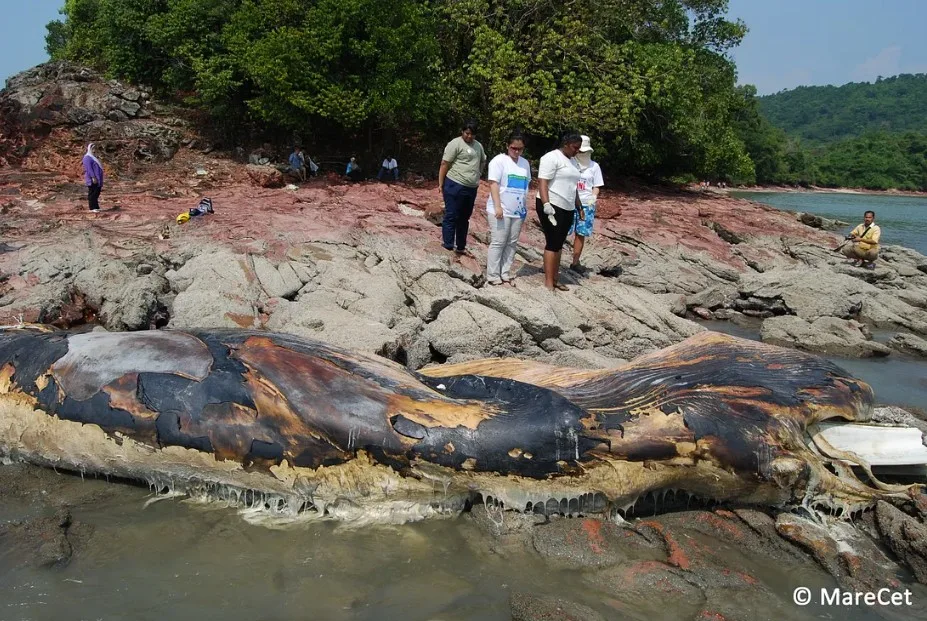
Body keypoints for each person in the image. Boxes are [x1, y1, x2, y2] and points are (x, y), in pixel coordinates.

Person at [537, 133, 583, 291]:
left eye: (579, 148)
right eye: (575, 147)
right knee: (553, 240)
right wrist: (546, 203)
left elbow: (574, 186)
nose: (577, 151)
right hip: (552, 203)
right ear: (566, 144)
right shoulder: (551, 157)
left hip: (568, 205)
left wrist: (579, 206)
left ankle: (555, 278)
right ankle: (548, 282)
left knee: (559, 242)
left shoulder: (573, 161)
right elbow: (542, 181)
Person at [485, 132, 531, 285]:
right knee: (499, 241)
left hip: (518, 211)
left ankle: (505, 272)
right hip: (500, 209)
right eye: (513, 148)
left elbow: (526, 185)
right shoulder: (499, 161)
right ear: (507, 146)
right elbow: (493, 184)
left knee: (512, 242)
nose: (516, 152)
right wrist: (498, 206)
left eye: (520, 149)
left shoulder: (525, 163)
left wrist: (525, 207)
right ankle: (492, 274)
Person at [438, 119, 487, 258]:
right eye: (467, 133)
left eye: (472, 134)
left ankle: (460, 246)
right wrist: (441, 183)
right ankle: (447, 244)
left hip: (471, 187)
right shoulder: (455, 143)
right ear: (462, 131)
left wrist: (477, 175)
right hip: (454, 183)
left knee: (464, 218)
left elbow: (482, 161)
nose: (469, 136)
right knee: (451, 214)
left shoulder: (478, 146)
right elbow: (444, 163)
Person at [569, 135, 604, 274]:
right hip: (569, 201)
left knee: (580, 233)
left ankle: (575, 262)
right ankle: (555, 259)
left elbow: (597, 185)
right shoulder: (570, 162)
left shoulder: (594, 166)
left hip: (586, 203)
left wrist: (593, 197)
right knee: (562, 230)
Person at [82, 143, 104, 213]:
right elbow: (89, 168)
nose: (94, 150)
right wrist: (93, 177)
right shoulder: (87, 158)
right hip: (92, 178)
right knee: (92, 192)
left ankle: (96, 206)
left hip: (98, 178)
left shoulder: (94, 157)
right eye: (93, 148)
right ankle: (92, 207)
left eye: (95, 149)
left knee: (97, 192)